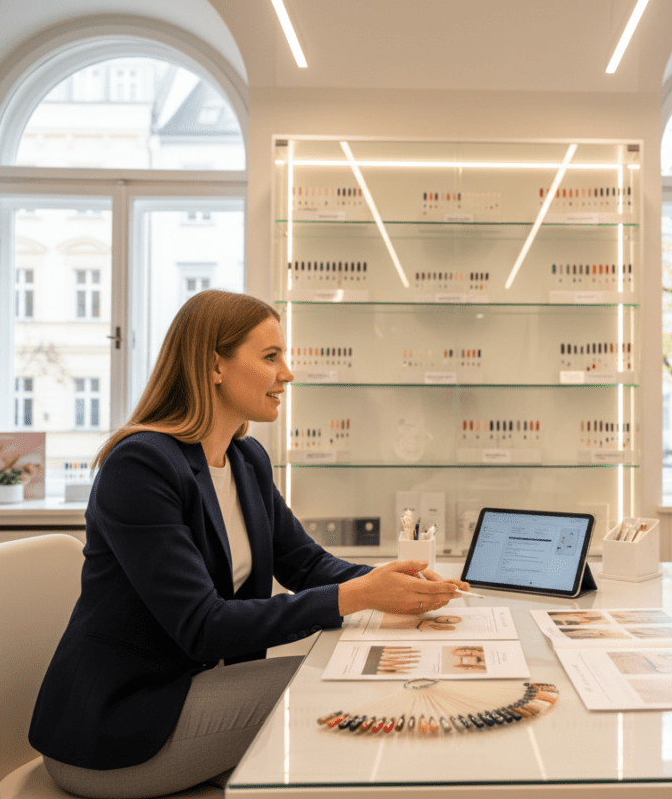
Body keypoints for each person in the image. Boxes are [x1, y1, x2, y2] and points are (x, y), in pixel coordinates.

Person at [29, 290, 468, 798]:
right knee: (331, 685)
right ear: (215, 366)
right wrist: (360, 596)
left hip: (193, 701)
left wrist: (389, 582)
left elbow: (304, 562)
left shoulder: (245, 459)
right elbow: (202, 626)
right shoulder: (140, 466)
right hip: (119, 733)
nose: (288, 373)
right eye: (270, 357)